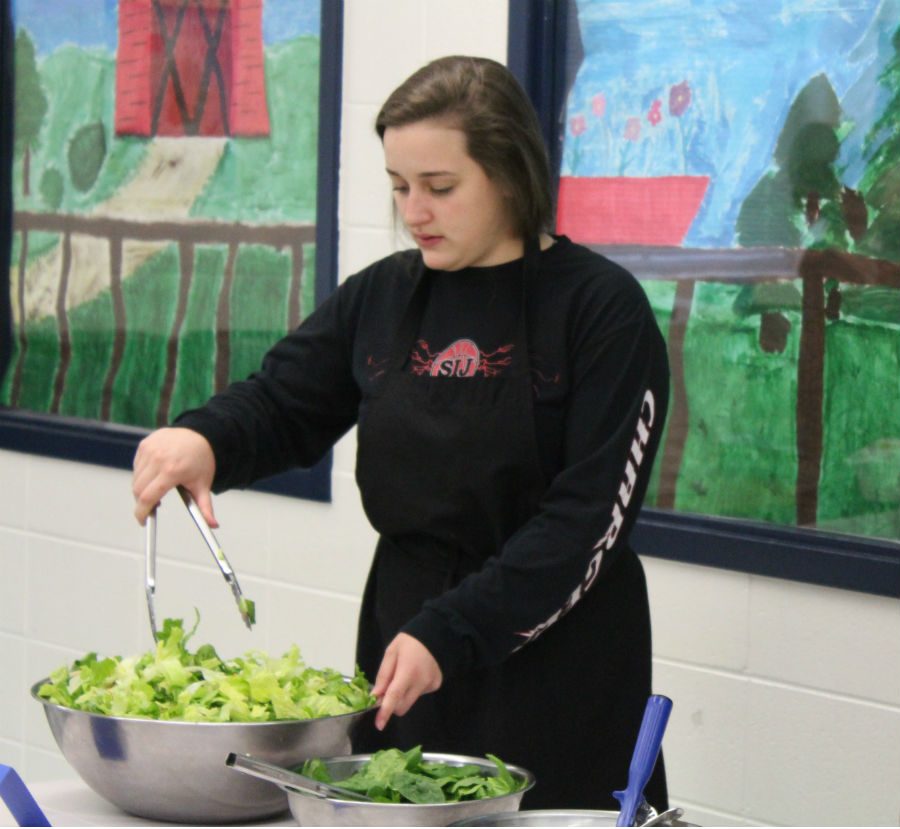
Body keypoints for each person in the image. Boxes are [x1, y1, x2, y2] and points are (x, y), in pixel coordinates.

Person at [132, 55, 670, 811]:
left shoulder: (602, 313)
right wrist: (206, 440)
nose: (413, 210)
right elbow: (284, 401)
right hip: (406, 649)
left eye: (440, 188)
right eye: (398, 186)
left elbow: (586, 523)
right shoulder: (383, 296)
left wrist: (451, 632)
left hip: (559, 667)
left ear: (510, 177)